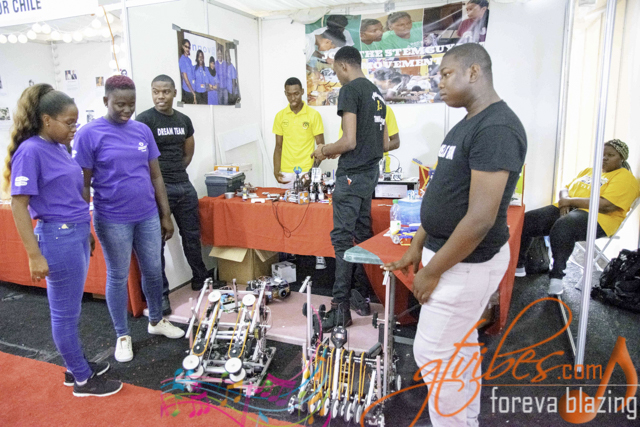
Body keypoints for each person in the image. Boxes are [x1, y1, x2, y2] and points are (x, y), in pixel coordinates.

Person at [383, 44, 527, 426]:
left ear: (474, 72)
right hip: (449, 256)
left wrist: (432, 272)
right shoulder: (468, 123)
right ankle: (466, 420)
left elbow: (479, 219)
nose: (439, 83)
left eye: (446, 74)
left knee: (433, 353)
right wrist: (418, 244)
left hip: (465, 264)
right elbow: (446, 193)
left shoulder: (496, 128)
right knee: (457, 348)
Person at [3, 84, 122, 397]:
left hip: (75, 233)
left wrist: (87, 232)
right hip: (57, 238)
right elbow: (18, 205)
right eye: (69, 123)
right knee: (65, 314)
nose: (74, 129)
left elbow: (69, 195)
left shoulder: (57, 147)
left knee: (71, 310)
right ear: (46, 120)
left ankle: (75, 365)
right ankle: (82, 380)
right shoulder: (30, 151)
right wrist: (34, 255)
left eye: (75, 122)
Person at [74, 76, 185, 364]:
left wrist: (165, 214)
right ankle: (122, 335)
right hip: (112, 219)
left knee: (153, 270)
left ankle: (156, 320)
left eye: (131, 104)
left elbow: (156, 176)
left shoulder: (142, 130)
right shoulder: (88, 134)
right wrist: (82, 224)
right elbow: (82, 185)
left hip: (147, 215)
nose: (126, 110)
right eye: (119, 104)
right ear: (105, 101)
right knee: (118, 275)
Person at [311, 46, 388, 329]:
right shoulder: (377, 94)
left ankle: (339, 308)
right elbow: (383, 143)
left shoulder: (350, 90)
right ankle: (361, 297)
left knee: (343, 241)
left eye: (336, 71)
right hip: (370, 175)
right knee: (362, 236)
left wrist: (324, 150)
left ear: (344, 66)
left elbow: (349, 141)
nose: (337, 77)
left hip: (352, 176)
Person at [517, 140, 639, 295]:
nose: (604, 158)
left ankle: (557, 276)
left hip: (599, 217)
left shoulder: (625, 178)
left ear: (621, 158)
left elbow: (606, 205)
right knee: (529, 219)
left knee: (564, 225)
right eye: (602, 154)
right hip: (569, 208)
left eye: (610, 155)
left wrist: (570, 201)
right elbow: (565, 188)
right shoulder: (589, 170)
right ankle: (518, 264)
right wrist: (565, 201)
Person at [137, 74, 210, 314]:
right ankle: (161, 296)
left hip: (183, 185)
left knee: (192, 235)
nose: (161, 96)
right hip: (158, 189)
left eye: (166, 92)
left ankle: (200, 278)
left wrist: (176, 170)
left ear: (174, 93)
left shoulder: (183, 120)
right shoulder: (144, 120)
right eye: (156, 92)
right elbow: (141, 158)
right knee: (156, 243)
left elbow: (188, 152)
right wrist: (160, 179)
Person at [273, 77, 327, 270]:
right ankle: (292, 252)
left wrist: (312, 173)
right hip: (287, 172)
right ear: (285, 94)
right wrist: (276, 169)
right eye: (289, 94)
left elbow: (321, 147)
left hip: (307, 171)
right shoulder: (280, 116)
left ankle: (319, 254)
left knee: (313, 214)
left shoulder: (313, 115)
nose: (293, 98)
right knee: (288, 214)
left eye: (296, 93)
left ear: (302, 92)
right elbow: (278, 146)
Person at [179, 38, 196, 104]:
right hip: (187, 91)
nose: (187, 49)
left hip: (192, 90)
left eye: (189, 47)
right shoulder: (182, 60)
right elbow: (185, 79)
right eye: (186, 47)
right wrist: (193, 93)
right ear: (183, 47)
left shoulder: (189, 60)